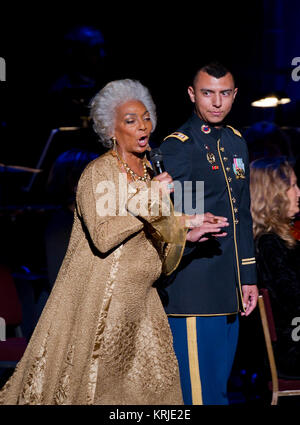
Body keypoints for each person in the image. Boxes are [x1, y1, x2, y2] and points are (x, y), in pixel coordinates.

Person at [0, 79, 227, 405]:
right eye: (131, 120)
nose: (143, 126)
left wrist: (186, 231)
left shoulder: (150, 173)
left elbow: (157, 245)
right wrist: (152, 200)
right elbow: (105, 236)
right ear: (111, 130)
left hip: (145, 307)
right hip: (107, 308)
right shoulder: (98, 174)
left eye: (146, 117)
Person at [159, 61, 258, 405]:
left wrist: (248, 276)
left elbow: (241, 215)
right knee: (199, 397)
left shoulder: (235, 142)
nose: (216, 102)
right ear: (192, 94)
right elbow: (164, 222)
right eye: (207, 93)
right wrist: (188, 228)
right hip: (193, 290)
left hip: (228, 289)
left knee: (217, 391)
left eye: (224, 93)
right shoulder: (178, 147)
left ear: (234, 96)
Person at [250, 157, 300, 377]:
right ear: (274, 194)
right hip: (291, 347)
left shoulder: (277, 238)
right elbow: (292, 299)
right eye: (291, 186)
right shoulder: (269, 244)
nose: (298, 192)